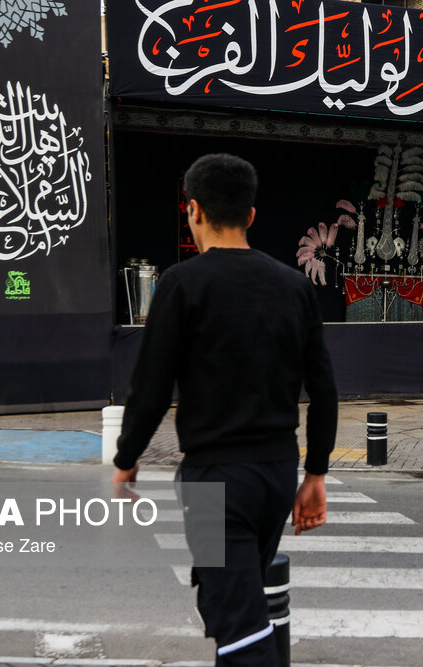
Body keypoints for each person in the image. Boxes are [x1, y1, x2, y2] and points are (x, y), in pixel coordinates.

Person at [111, 153, 338, 666]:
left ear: (192, 210)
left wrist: (126, 459)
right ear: (250, 215)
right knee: (241, 604)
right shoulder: (295, 287)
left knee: (236, 623)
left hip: (212, 484)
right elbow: (324, 390)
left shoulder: (181, 284)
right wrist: (315, 474)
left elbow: (151, 388)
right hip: (276, 476)